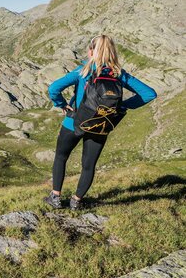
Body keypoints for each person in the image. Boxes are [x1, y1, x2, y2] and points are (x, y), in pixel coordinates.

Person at [44, 35, 157, 210]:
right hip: (101, 126)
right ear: (112, 52)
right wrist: (122, 107)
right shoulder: (119, 74)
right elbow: (149, 94)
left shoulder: (83, 71)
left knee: (61, 157)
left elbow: (53, 88)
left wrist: (62, 105)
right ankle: (76, 201)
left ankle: (55, 198)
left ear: (91, 51)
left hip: (73, 123)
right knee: (88, 166)